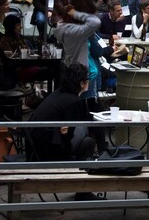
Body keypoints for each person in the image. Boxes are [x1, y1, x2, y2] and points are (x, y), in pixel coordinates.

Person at [27, 64, 104, 201]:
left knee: (84, 130)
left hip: (36, 147)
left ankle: (83, 187)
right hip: (49, 152)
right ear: (81, 83)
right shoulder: (73, 102)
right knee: (88, 141)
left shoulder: (58, 94)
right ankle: (83, 191)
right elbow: (69, 135)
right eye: (87, 80)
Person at [53, 0, 101, 69]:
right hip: (79, 74)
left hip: (74, 70)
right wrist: (74, 13)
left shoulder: (65, 27)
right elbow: (96, 22)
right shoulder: (73, 31)